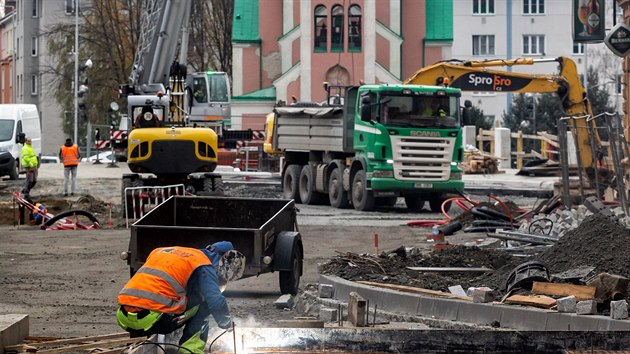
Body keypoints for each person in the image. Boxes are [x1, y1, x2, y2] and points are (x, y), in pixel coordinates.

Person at [117, 241, 245, 354]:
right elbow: (216, 301)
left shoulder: (163, 251)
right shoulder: (203, 262)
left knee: (156, 302)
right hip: (153, 319)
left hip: (124, 316)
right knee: (204, 305)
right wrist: (226, 324)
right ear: (222, 260)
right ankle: (190, 350)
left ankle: (136, 344)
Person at [20, 136, 38, 201]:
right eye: (28, 141)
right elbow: (26, 158)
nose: (30, 142)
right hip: (29, 166)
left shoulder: (30, 147)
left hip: (34, 165)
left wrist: (35, 164)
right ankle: (26, 194)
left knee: (34, 181)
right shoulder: (25, 148)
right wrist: (31, 165)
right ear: (25, 141)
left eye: (30, 141)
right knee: (29, 180)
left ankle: (25, 190)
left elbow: (33, 156)